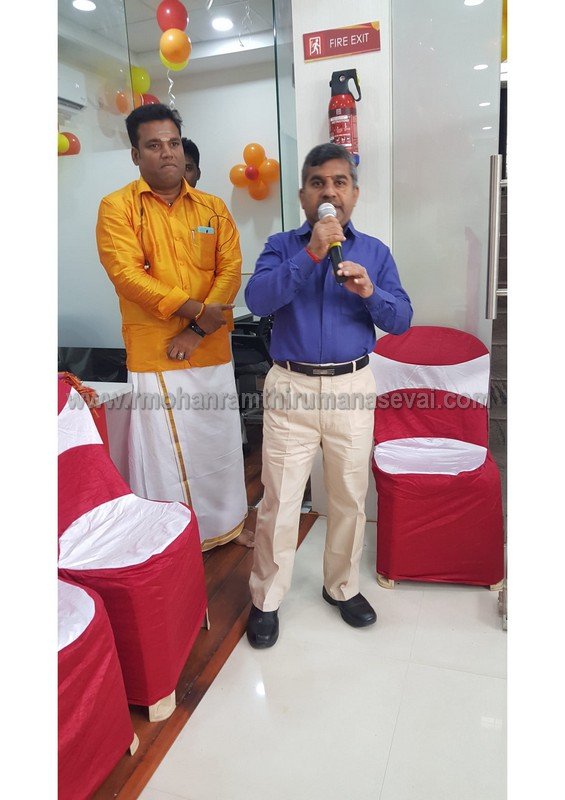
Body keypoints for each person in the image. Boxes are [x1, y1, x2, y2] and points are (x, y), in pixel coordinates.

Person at [244, 142, 413, 648]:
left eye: (340, 182)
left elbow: (401, 320)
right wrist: (311, 254)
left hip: (351, 387)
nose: (330, 192)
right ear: (303, 195)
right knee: (280, 499)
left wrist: (370, 293)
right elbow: (258, 299)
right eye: (318, 182)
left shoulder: (375, 252)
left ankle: (341, 586)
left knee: (348, 496)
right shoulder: (281, 246)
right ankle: (266, 598)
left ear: (355, 194)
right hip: (290, 387)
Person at [96, 104, 252, 551]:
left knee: (219, 445)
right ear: (135, 154)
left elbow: (230, 268)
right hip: (157, 354)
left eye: (174, 143)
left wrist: (198, 329)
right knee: (166, 455)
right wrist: (197, 311)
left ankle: (228, 525)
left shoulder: (212, 207)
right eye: (154, 145)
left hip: (211, 349)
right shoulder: (118, 208)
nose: (167, 152)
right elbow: (128, 276)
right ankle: (175, 541)